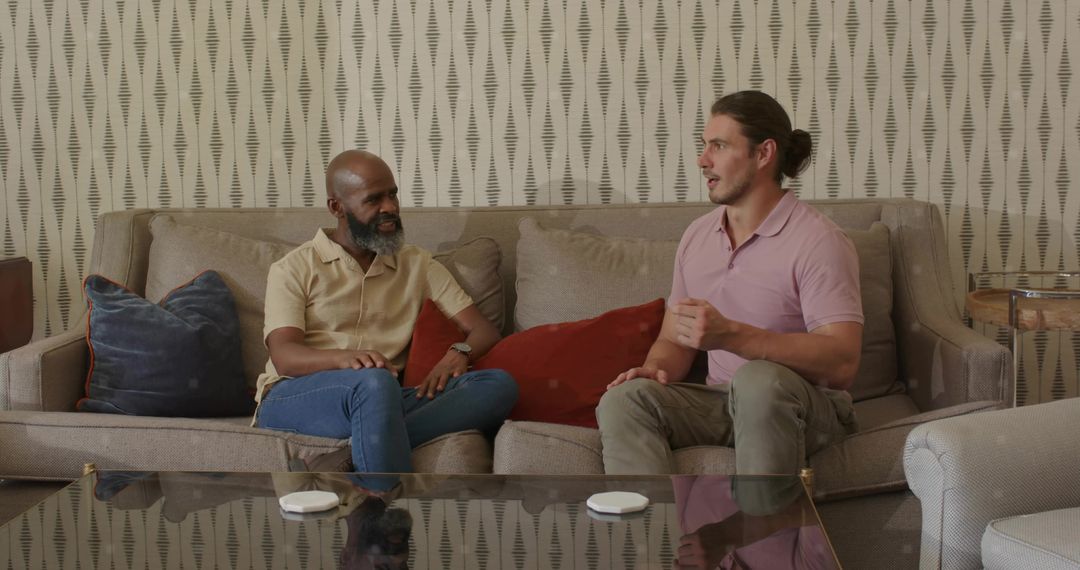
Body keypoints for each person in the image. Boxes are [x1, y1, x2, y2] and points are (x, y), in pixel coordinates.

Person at [597, 91, 862, 476]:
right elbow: (675, 339)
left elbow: (842, 362)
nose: (703, 160)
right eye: (704, 145)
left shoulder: (819, 241)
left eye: (719, 146)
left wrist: (732, 336)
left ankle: (766, 517)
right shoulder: (697, 236)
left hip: (805, 409)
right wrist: (655, 368)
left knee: (758, 380)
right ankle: (654, 518)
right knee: (625, 399)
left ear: (763, 153)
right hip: (722, 402)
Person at [253, 149, 518, 473]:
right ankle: (385, 503)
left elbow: (483, 330)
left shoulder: (417, 264)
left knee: (497, 385)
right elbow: (285, 356)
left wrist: (458, 352)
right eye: (373, 199)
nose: (390, 207)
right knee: (374, 383)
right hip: (293, 396)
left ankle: (349, 457)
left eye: (392, 195)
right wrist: (345, 359)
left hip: (383, 395)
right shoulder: (293, 268)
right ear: (337, 207)